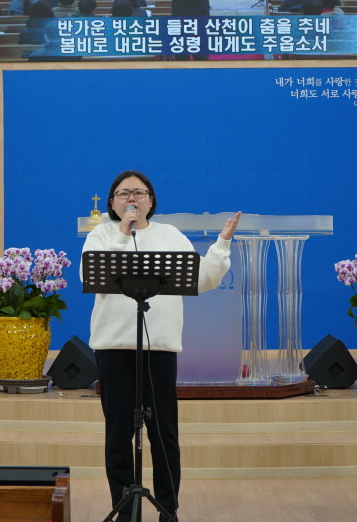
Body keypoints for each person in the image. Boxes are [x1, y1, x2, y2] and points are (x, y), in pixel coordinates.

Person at [81, 171, 241, 522]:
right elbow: (89, 277)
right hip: (113, 346)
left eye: (139, 192)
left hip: (159, 348)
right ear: (112, 203)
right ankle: (127, 511)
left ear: (151, 200)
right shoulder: (101, 235)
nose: (131, 199)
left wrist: (221, 244)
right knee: (118, 434)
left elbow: (203, 279)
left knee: (164, 433)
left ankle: (168, 510)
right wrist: (123, 234)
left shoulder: (170, 235)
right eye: (123, 193)